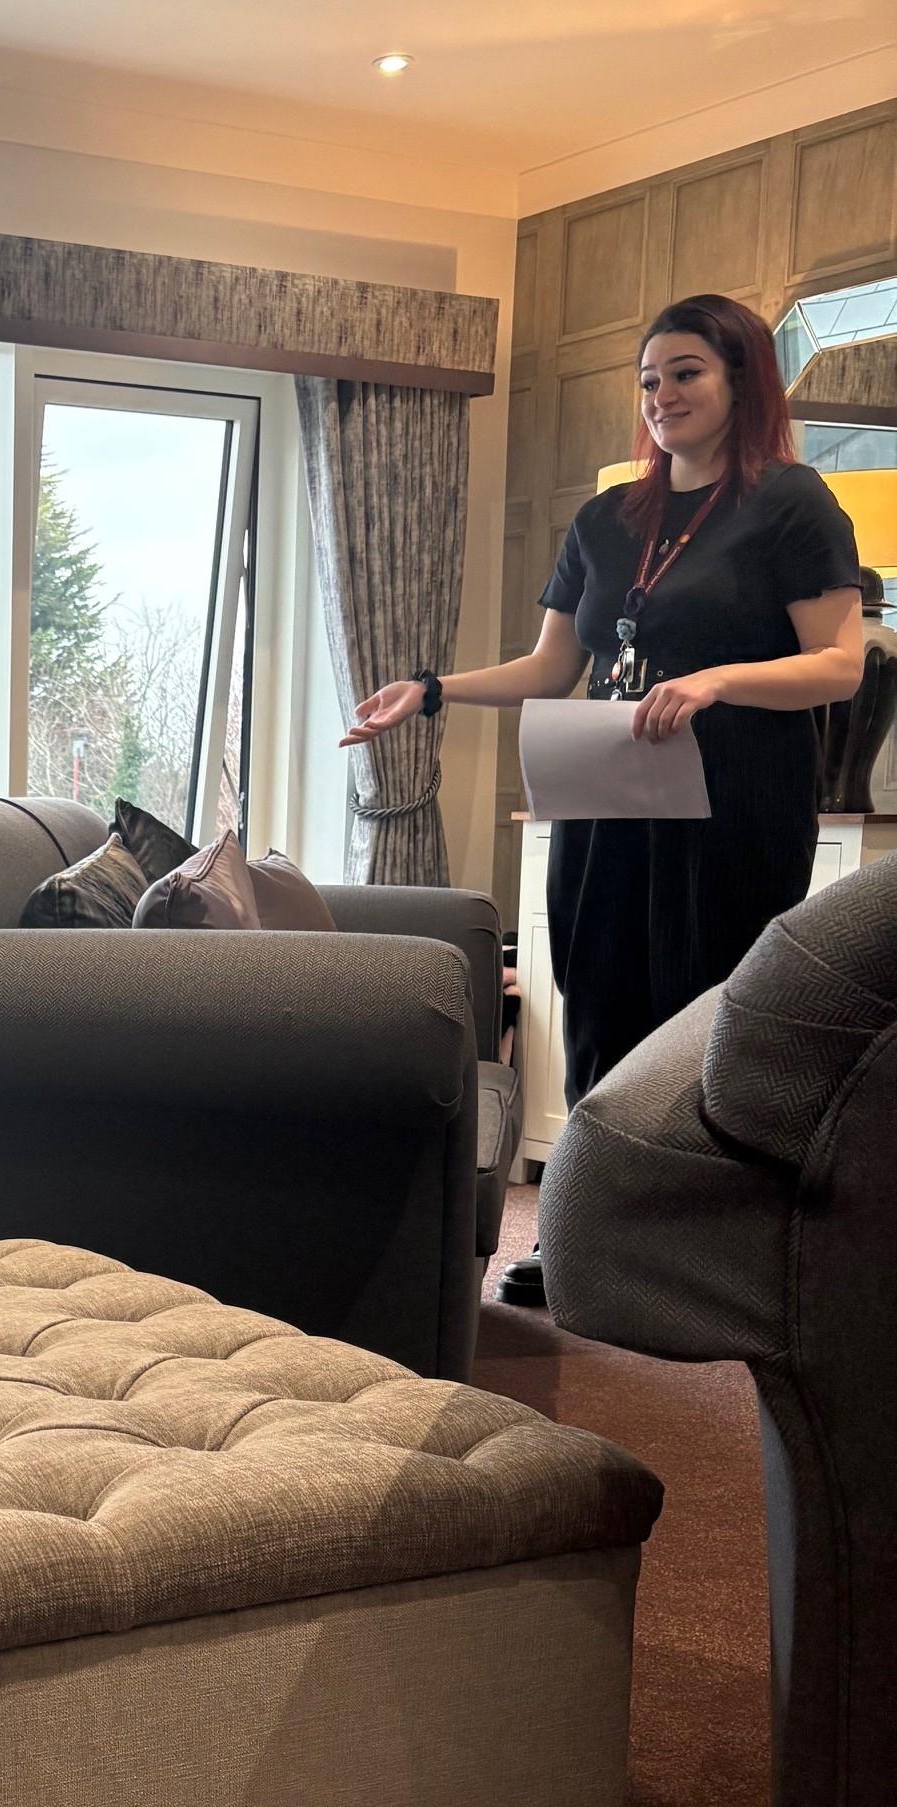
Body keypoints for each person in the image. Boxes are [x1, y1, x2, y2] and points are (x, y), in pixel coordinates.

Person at [340, 293, 864, 1306]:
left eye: (686, 373)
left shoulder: (791, 503)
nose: (662, 396)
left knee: (707, 1016)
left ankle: (703, 1249)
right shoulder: (605, 519)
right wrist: (433, 690)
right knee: (599, 1010)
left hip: (734, 807)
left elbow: (838, 665)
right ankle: (586, 1234)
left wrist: (717, 681)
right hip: (607, 803)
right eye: (649, 380)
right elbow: (552, 667)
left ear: (742, 380)